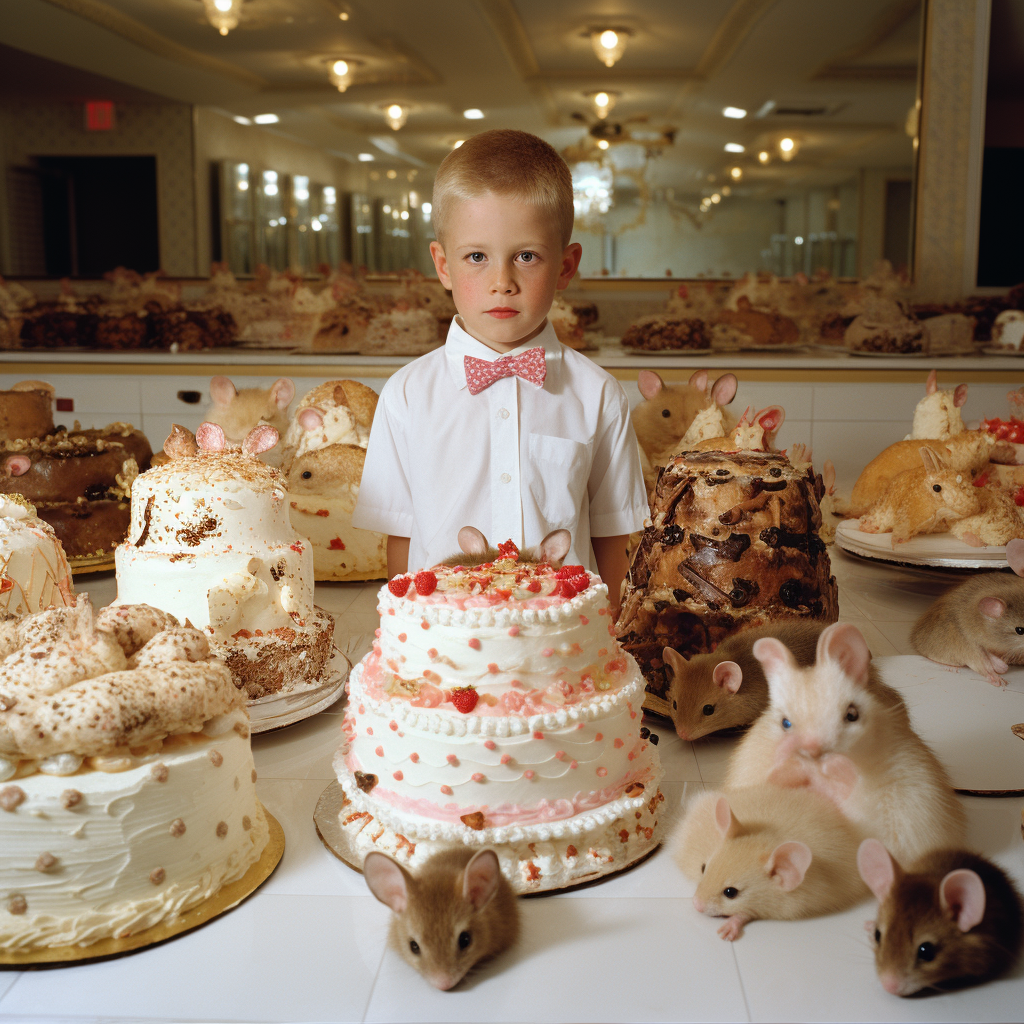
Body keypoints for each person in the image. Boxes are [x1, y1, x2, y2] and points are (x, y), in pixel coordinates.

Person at [352, 129, 647, 614]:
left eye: (526, 256)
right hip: (443, 643)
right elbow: (401, 538)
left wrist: (607, 629)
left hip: (564, 646)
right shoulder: (406, 395)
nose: (502, 282)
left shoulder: (598, 395)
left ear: (566, 266)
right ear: (443, 266)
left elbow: (612, 536)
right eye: (477, 257)